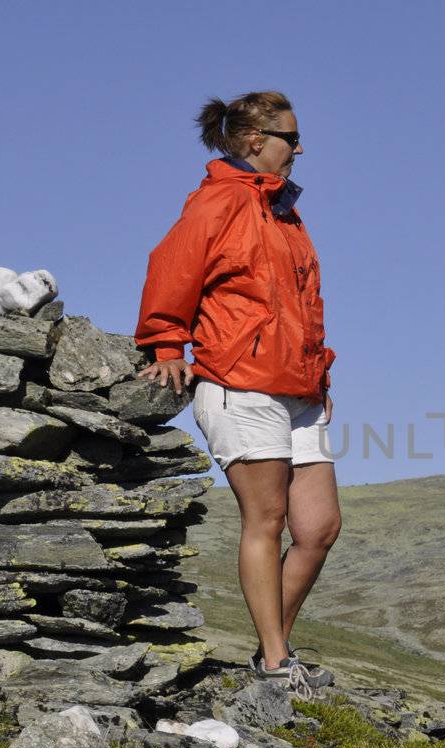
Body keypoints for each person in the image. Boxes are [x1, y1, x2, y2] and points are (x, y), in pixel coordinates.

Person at [134, 90, 340, 698]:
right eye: (290, 138)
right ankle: (277, 664)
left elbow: (301, 302)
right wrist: (166, 344)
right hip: (237, 383)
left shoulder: (282, 210)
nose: (299, 148)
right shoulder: (220, 199)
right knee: (267, 518)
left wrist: (318, 372)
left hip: (296, 390)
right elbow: (172, 267)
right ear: (255, 141)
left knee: (319, 528)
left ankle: (271, 650)